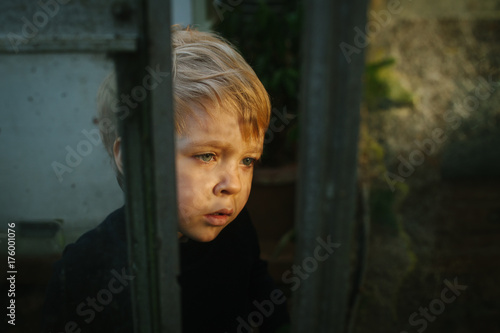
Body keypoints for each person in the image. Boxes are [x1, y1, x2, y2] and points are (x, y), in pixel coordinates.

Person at [41, 26, 290, 333]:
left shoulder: (236, 230)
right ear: (133, 158)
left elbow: (266, 306)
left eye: (247, 160)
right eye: (207, 156)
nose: (233, 185)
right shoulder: (85, 268)